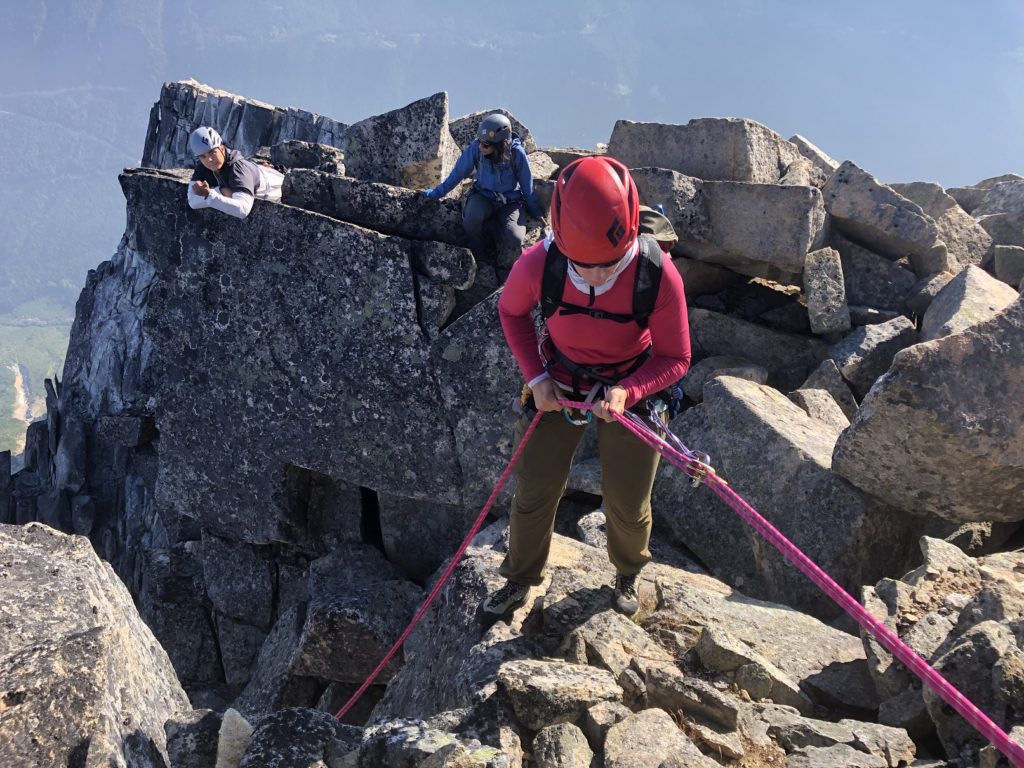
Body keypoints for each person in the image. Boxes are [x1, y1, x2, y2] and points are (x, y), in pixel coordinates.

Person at [487, 156, 692, 617]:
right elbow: (511, 311)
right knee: (534, 490)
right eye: (584, 266)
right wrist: (537, 378)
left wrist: (630, 391)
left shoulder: (656, 274)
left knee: (626, 500)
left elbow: (676, 357)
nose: (597, 277)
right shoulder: (540, 264)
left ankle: (627, 573)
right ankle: (519, 579)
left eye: (609, 264)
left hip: (631, 385)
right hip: (560, 381)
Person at [424, 113, 544, 267]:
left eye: (486, 144)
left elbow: (527, 185)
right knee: (471, 219)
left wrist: (535, 210)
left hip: (510, 201)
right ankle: (478, 253)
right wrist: (436, 193)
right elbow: (457, 174)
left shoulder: (516, 154)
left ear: (500, 144)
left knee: (514, 238)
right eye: (480, 142)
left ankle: (493, 227)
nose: (481, 146)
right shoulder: (476, 149)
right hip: (483, 196)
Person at [186, 127, 285, 219]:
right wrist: (220, 191)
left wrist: (210, 195)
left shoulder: (238, 169)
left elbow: (243, 210)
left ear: (222, 148)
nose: (210, 159)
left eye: (212, 152)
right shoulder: (204, 166)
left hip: (281, 187)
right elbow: (192, 201)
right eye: (203, 156)